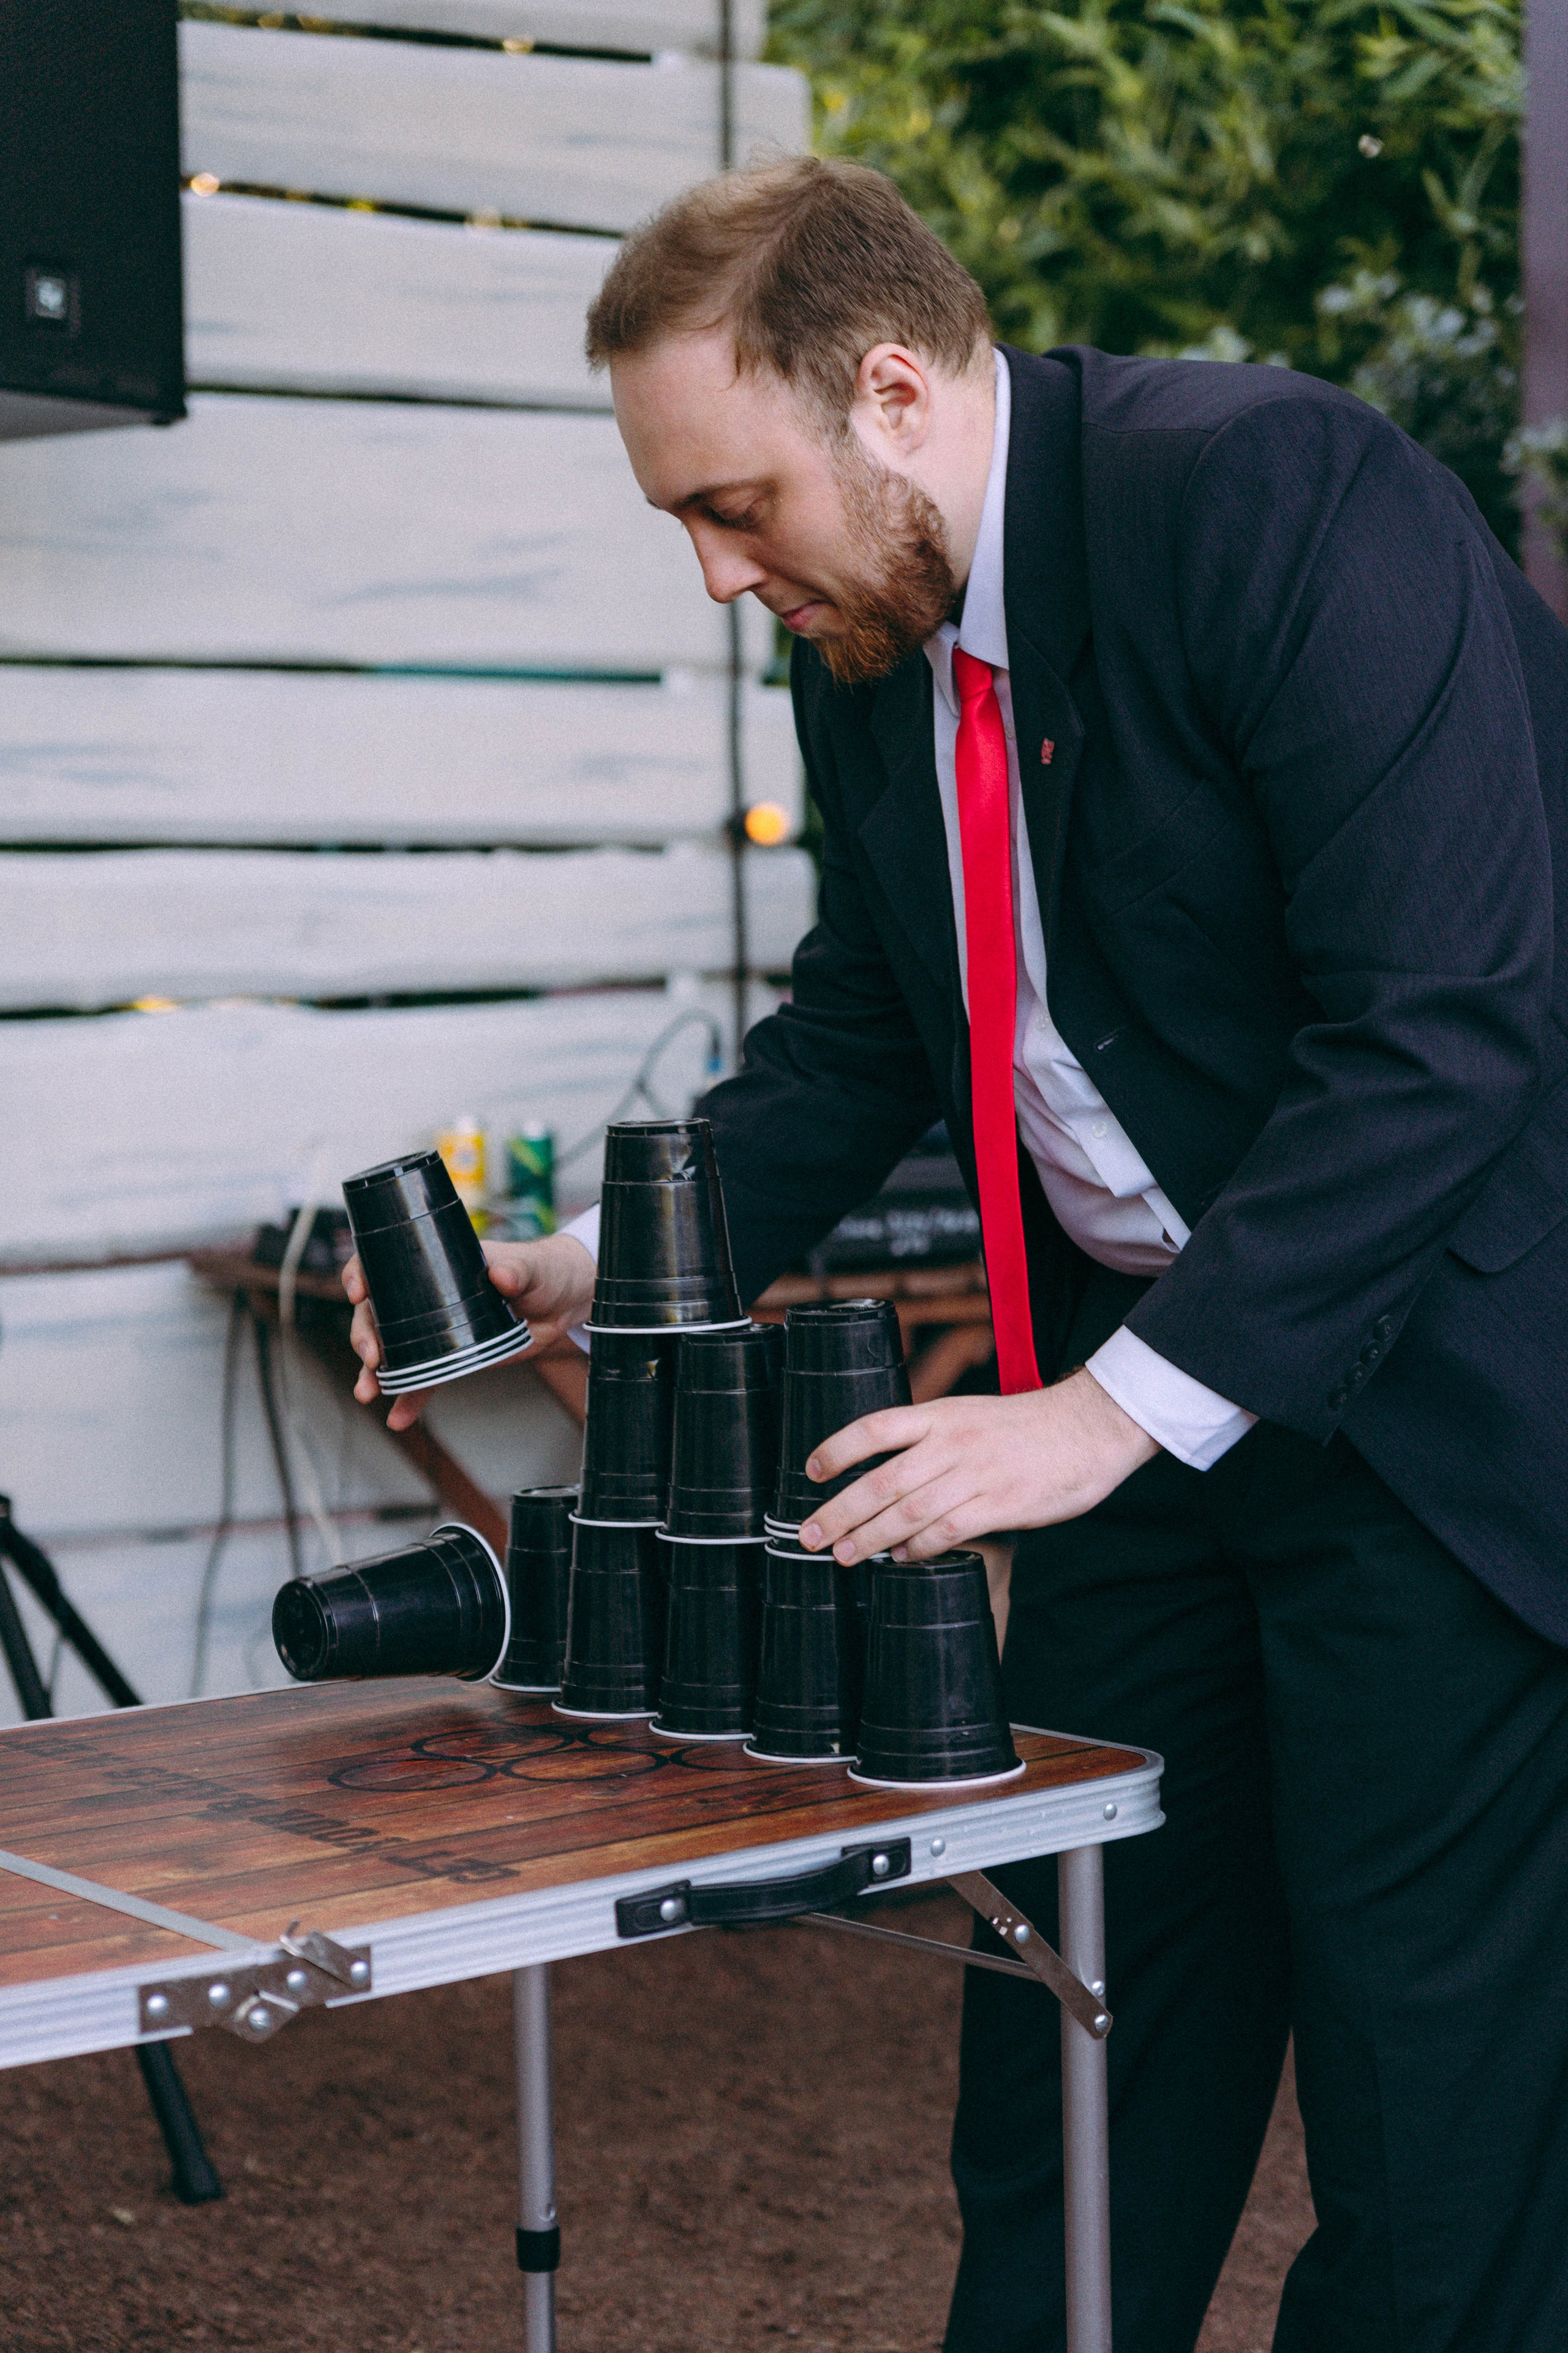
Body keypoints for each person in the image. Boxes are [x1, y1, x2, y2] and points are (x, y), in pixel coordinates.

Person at [344, 158, 1568, 2352]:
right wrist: (621, 1259)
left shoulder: (1287, 498)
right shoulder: (869, 630)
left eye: (733, 504)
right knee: (1075, 2046)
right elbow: (881, 1019)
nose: (721, 576)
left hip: (1436, 1404)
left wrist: (1102, 1417)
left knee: (1430, 2119)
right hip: (1124, 1430)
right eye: (682, 527)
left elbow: (1445, 1033)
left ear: (892, 393)